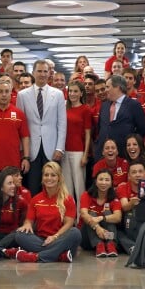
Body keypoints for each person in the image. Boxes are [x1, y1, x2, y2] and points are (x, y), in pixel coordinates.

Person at [9, 162, 82, 263]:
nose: (49, 178)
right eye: (46, 175)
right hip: (41, 240)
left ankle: (38, 257)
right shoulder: (36, 199)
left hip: (60, 238)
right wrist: (27, 225)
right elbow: (29, 221)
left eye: (53, 175)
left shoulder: (68, 199)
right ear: (42, 178)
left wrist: (55, 237)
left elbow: (69, 224)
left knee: (75, 233)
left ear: (59, 178)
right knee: (19, 234)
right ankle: (59, 256)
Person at [16, 59, 67, 196]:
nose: (42, 74)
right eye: (39, 71)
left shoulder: (58, 94)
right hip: (31, 148)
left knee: (53, 187)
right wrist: (22, 151)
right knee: (32, 187)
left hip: (52, 148)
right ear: (33, 73)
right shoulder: (22, 95)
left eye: (45, 71)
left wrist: (59, 148)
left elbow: (62, 123)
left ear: (49, 73)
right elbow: (20, 126)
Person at [95, 75, 145, 162]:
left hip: (124, 155)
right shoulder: (104, 105)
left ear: (117, 87)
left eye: (108, 87)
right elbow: (100, 128)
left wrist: (131, 145)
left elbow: (142, 129)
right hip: (102, 156)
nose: (105, 90)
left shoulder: (133, 105)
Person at [61, 80, 92, 217]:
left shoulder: (85, 109)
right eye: (70, 91)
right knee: (67, 187)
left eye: (75, 91)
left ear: (81, 93)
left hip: (78, 151)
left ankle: (81, 217)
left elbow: (88, 133)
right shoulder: (64, 108)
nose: (72, 94)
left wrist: (85, 154)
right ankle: (70, 216)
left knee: (79, 186)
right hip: (64, 151)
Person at [79, 169, 122, 257]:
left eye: (107, 180)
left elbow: (118, 217)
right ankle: (99, 245)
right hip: (87, 237)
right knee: (91, 214)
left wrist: (102, 218)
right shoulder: (86, 195)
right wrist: (97, 227)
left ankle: (111, 244)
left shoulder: (114, 198)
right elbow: (83, 214)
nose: (103, 183)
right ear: (95, 181)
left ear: (111, 183)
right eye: (101, 179)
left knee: (107, 213)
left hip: (107, 235)